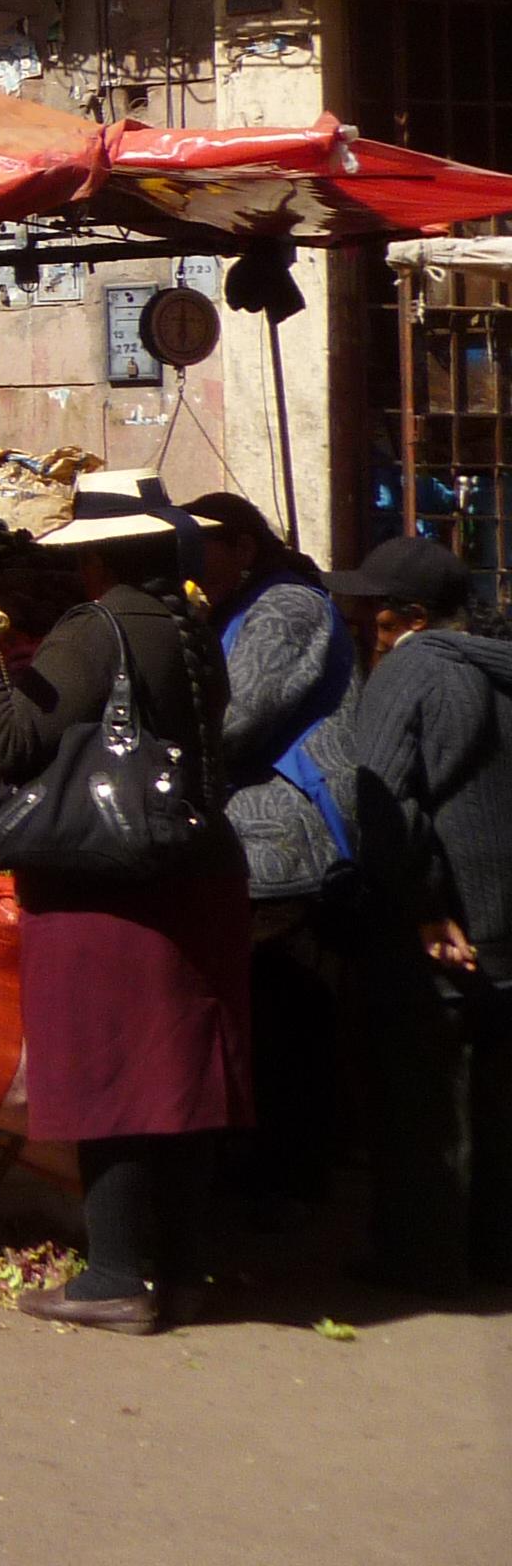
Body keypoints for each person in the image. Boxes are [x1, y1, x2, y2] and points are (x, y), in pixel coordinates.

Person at [0, 467, 252, 1334]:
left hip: (109, 880)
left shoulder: (95, 629)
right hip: (195, 866)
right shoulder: (190, 630)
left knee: (110, 1068)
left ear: (96, 562)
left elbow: (9, 742)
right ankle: (183, 1269)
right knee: (181, 1077)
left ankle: (114, 1273)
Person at [327, 533, 512, 1294]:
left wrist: (423, 908)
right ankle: (495, 1253)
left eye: (367, 612)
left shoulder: (412, 670)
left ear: (403, 618)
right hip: (505, 925)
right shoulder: (497, 669)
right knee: (499, 1104)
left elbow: (385, 799)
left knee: (423, 1103)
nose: (357, 625)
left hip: (443, 929)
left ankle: (423, 1262)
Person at [191, 492, 361, 1214]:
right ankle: (275, 1169)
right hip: (262, 830)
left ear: (243, 547)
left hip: (288, 832)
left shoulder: (286, 606)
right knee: (273, 1009)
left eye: (203, 549)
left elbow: (233, 717)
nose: (192, 566)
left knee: (285, 1011)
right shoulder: (240, 606)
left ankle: (288, 1180)